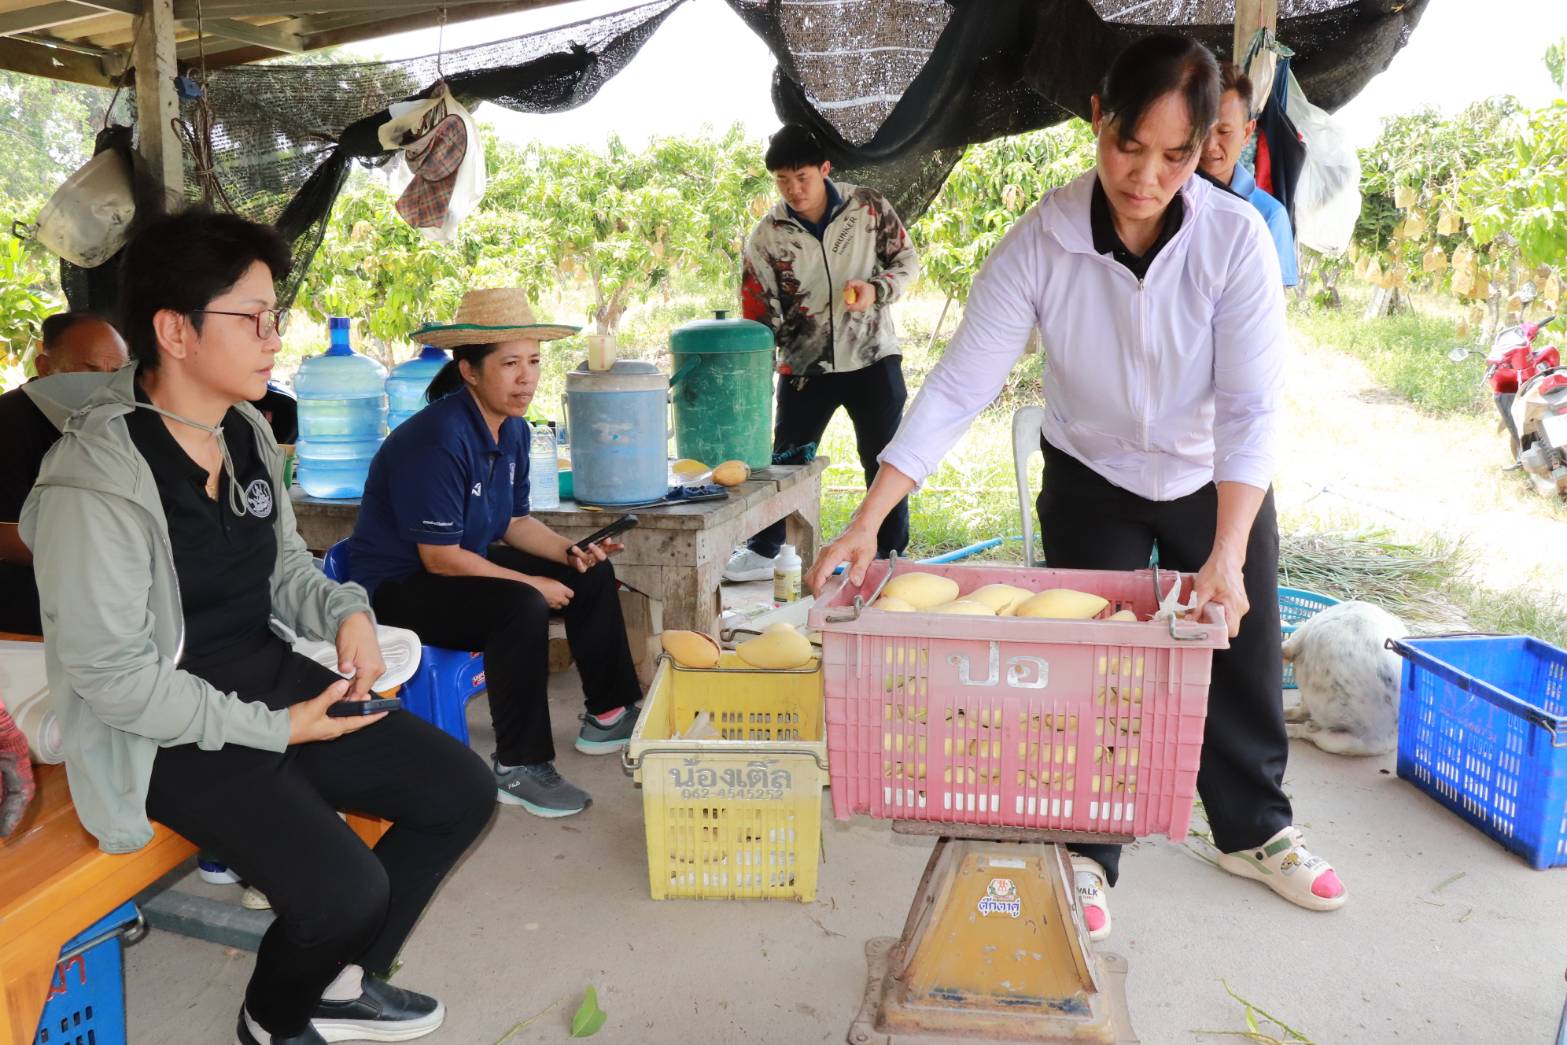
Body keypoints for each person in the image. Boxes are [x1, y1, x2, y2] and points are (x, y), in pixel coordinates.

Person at [806, 34, 1345, 941]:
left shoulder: (1234, 241)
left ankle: (1253, 829)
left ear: (1204, 146)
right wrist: (869, 519)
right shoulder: (1042, 241)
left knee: (1238, 650)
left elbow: (1251, 408)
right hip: (1091, 474)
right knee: (1092, 667)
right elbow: (959, 385)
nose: (1146, 177)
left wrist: (1225, 553)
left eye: (1174, 155)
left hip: (1209, 475)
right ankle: (1089, 850)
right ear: (1097, 119)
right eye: (1128, 146)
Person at [19, 210, 494, 1045]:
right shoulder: (91, 484)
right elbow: (116, 682)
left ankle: (337, 981)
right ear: (175, 331)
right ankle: (270, 1020)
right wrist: (280, 729)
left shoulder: (241, 430)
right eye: (253, 318)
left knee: (459, 791)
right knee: (345, 891)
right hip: (160, 730)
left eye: (276, 316)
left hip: (264, 678)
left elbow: (283, 569)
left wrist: (347, 612)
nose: (275, 338)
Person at [347, 288, 644, 819]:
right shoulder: (437, 438)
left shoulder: (513, 432)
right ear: (469, 370)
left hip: (458, 567)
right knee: (519, 606)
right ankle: (520, 766)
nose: (526, 378)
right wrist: (532, 584)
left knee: (589, 572)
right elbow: (439, 559)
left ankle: (609, 714)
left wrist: (568, 552)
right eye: (509, 364)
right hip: (398, 587)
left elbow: (513, 522)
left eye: (533, 361)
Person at [722, 123, 920, 583]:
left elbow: (906, 262)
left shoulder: (867, 207)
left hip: (873, 357)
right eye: (782, 180)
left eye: (802, 177)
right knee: (785, 461)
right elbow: (757, 311)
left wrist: (876, 290)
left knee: (884, 460)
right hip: (803, 368)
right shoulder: (768, 235)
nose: (794, 190)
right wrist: (755, 371)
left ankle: (890, 554)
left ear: (825, 169)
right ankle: (765, 551)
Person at [0, 312, 127, 634]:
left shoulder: (118, 422)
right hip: (30, 612)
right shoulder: (8, 423)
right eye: (91, 370)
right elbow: (6, 535)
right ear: (45, 367)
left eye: (117, 373)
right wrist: (103, 555)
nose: (105, 384)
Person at [1200, 62, 1299, 288]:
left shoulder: (1269, 215)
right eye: (1202, 129)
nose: (1210, 145)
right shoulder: (1166, 195)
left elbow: (1272, 300)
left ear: (1247, 133)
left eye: (1224, 131)